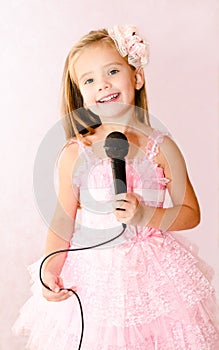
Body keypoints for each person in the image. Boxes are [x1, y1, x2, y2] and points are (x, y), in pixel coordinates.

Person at [13, 25, 219, 349]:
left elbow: (191, 213)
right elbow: (62, 222)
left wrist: (146, 214)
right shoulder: (75, 152)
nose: (103, 84)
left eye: (112, 71)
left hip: (155, 280)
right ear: (81, 93)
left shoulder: (162, 148)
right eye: (90, 79)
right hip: (95, 280)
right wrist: (50, 268)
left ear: (136, 77)